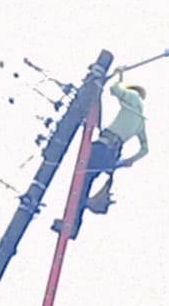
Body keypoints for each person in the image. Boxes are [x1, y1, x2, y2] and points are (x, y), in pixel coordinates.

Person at [56, 67, 149, 239]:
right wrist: (128, 160)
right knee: (84, 184)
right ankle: (73, 226)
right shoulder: (140, 121)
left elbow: (114, 89)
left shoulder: (132, 98)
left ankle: (71, 224)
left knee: (81, 182)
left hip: (102, 147)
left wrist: (120, 75)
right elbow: (145, 149)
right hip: (111, 155)